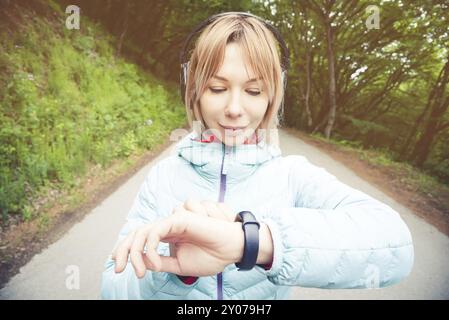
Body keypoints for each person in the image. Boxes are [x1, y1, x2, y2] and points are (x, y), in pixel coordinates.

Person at [101, 12, 414, 300]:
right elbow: (112, 285)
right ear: (194, 89)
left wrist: (250, 243)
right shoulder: (163, 177)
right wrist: (173, 271)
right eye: (217, 88)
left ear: (272, 97)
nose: (234, 108)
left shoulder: (293, 176)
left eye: (253, 91)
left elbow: (394, 246)